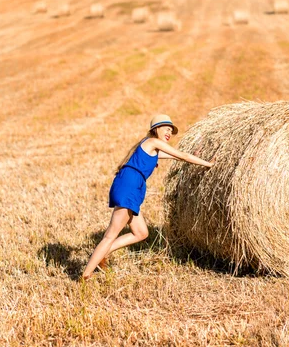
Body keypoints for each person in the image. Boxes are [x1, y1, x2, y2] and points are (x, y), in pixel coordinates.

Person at [81, 114, 214, 280]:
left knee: (141, 233)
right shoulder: (152, 142)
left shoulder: (152, 148)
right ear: (156, 129)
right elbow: (183, 156)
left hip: (131, 186)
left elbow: (178, 157)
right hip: (129, 186)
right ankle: (85, 275)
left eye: (171, 130)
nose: (169, 132)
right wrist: (210, 164)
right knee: (110, 235)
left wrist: (196, 155)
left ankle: (101, 254)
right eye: (166, 128)